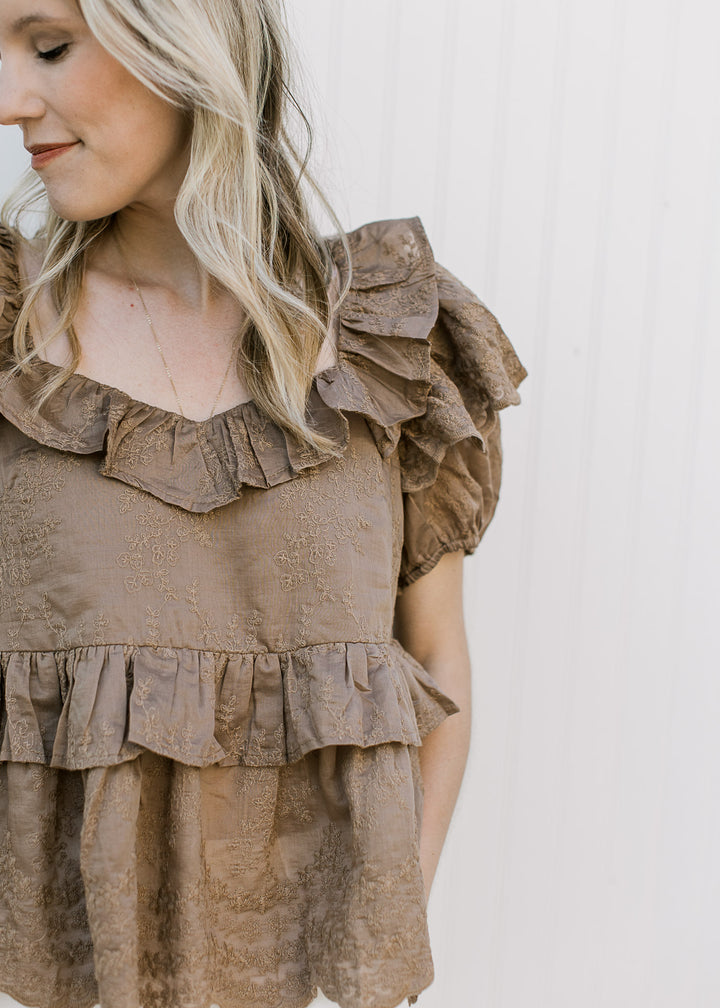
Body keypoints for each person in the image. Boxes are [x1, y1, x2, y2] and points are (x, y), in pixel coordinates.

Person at [0, 1, 527, 1007]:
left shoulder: (391, 338)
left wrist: (375, 948)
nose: (7, 101)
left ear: (186, 41)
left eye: (50, 46)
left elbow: (437, 666)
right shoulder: (11, 339)